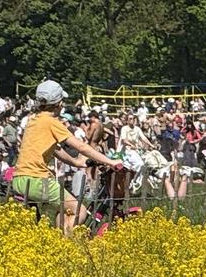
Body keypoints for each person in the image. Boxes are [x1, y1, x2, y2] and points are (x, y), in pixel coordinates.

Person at [11, 81, 124, 234]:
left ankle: (59, 241)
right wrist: (110, 161)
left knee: (66, 210)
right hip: (37, 180)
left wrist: (76, 162)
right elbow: (81, 146)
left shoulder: (34, 120)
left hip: (20, 179)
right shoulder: (51, 122)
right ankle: (67, 248)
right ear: (59, 103)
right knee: (79, 210)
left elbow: (55, 149)